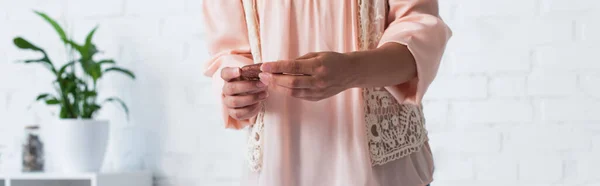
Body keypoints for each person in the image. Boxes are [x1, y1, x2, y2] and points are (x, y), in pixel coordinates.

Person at [202, 0, 451, 186]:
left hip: (382, 170)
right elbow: (227, 52)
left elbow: (421, 31)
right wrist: (233, 92)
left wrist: (352, 70)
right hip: (279, 162)